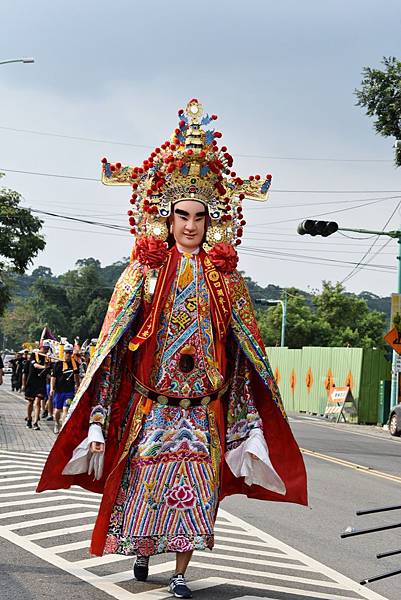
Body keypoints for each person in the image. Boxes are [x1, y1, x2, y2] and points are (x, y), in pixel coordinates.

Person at [38, 100, 307, 599]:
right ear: (167, 217)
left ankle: (181, 571)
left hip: (202, 411)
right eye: (181, 215)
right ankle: (143, 550)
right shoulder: (142, 273)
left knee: (195, 498)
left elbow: (245, 357)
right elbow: (114, 351)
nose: (190, 225)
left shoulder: (227, 282)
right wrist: (98, 419)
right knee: (146, 490)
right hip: (153, 409)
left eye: (199, 217)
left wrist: (246, 425)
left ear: (212, 221)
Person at [50, 342, 80, 434]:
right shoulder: (58, 364)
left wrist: (78, 387)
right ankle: (56, 423)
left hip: (69, 391)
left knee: (65, 409)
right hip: (59, 391)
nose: (68, 354)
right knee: (58, 410)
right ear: (64, 352)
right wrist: (52, 388)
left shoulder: (75, 364)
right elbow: (53, 377)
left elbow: (77, 377)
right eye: (66, 352)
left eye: (70, 352)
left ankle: (63, 428)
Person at [23, 341, 52, 430]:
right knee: (30, 402)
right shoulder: (33, 355)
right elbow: (35, 365)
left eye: (47, 349)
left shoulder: (47, 358)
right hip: (32, 382)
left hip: (41, 382)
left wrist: (49, 365)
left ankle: (35, 422)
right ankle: (29, 419)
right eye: (45, 348)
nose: (46, 350)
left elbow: (48, 372)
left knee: (38, 402)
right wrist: (44, 367)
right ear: (41, 347)